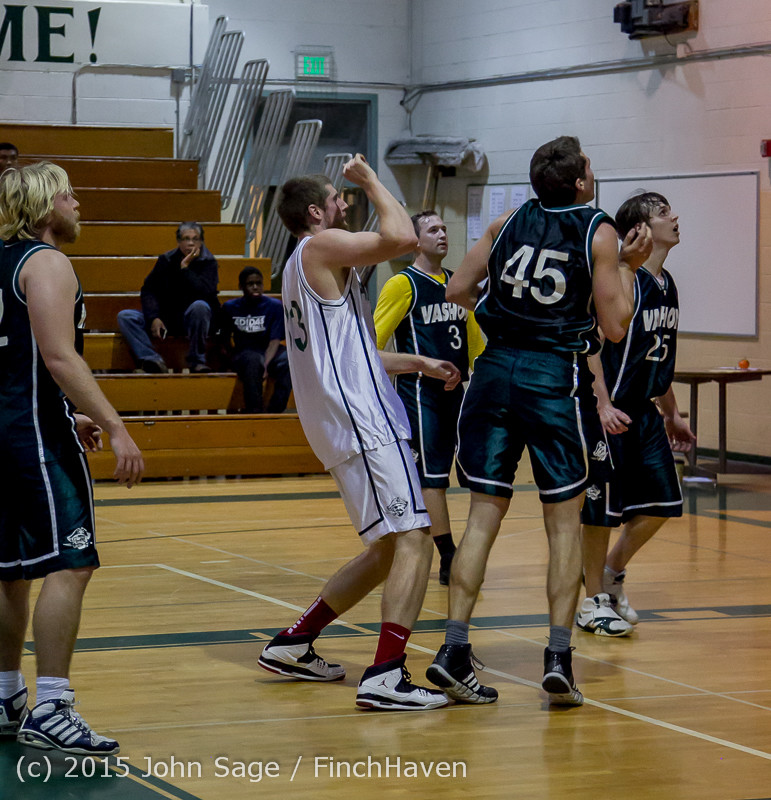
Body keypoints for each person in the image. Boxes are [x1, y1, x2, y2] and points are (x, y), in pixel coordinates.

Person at [425, 135, 652, 707]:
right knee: (563, 524)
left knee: (481, 516)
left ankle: (454, 648)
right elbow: (617, 325)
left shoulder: (505, 222)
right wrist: (628, 267)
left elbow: (456, 289)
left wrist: (503, 312)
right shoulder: (597, 230)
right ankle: (557, 656)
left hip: (494, 370)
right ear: (579, 182)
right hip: (554, 378)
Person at [258, 156, 462, 711]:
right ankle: (386, 675)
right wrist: (371, 180)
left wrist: (416, 362)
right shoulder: (318, 247)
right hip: (363, 423)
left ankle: (296, 642)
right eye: (337, 197)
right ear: (315, 213)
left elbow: (352, 354)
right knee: (417, 539)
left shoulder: (310, 267)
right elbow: (400, 237)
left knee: (384, 550)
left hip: (345, 419)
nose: (345, 203)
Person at [0, 162, 144, 754]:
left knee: (9, 572)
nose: (77, 200)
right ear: (42, 204)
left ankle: (7, 696)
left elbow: (19, 364)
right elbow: (59, 358)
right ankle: (53, 704)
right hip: (32, 438)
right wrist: (115, 426)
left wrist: (64, 413)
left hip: (11, 428)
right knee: (71, 562)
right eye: (67, 192)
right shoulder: (47, 261)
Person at [578, 192, 694, 636]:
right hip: (608, 411)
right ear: (639, 231)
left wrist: (673, 413)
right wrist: (602, 402)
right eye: (664, 212)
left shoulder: (668, 284)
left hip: (644, 412)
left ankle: (612, 571)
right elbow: (591, 347)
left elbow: (657, 358)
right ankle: (591, 600)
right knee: (600, 512)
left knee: (665, 503)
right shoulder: (623, 280)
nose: (675, 217)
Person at [373, 210, 485, 585]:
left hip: (459, 394)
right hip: (421, 393)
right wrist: (419, 365)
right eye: (432, 229)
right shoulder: (402, 284)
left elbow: (475, 347)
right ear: (416, 240)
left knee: (468, 474)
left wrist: (481, 381)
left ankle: (456, 550)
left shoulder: (458, 284)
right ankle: (449, 555)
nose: (441, 234)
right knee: (433, 479)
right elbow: (369, 348)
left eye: (443, 228)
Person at [117, 222, 219, 373]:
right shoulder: (166, 260)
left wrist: (185, 268)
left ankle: (197, 361)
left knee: (200, 306)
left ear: (201, 241)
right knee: (126, 316)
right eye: (186, 238)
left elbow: (205, 293)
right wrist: (154, 318)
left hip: (194, 320)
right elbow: (148, 290)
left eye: (195, 239)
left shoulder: (209, 262)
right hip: (167, 318)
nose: (190, 243)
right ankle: (152, 359)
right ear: (179, 241)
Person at [218, 267, 292, 413]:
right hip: (245, 352)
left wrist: (265, 364)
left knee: (289, 360)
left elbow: (275, 340)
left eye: (259, 283)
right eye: (250, 284)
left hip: (269, 350)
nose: (255, 287)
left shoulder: (274, 306)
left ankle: (275, 411)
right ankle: (254, 412)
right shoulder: (230, 307)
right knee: (252, 360)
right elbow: (224, 340)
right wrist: (230, 361)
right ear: (241, 287)